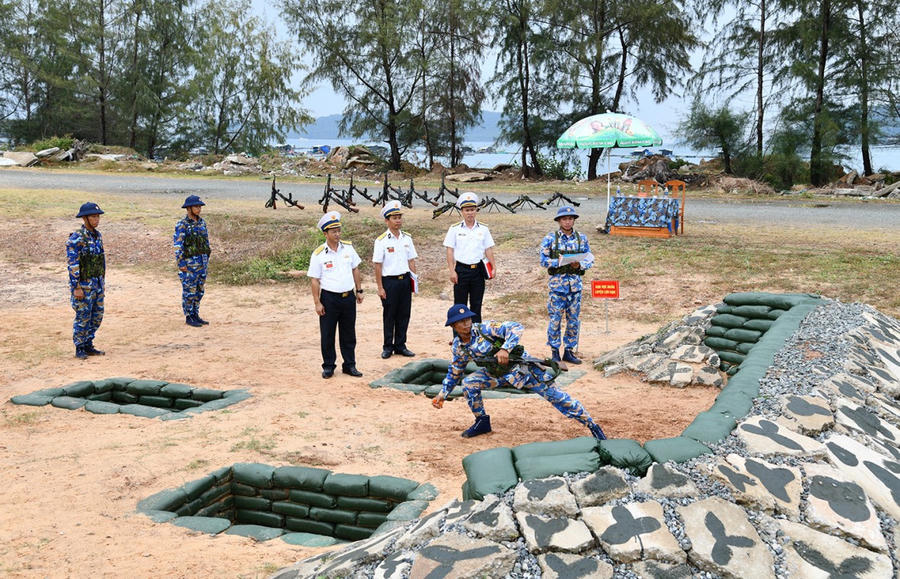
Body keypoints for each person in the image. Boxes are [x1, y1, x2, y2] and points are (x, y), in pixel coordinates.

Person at [431, 304, 606, 440]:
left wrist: (505, 349)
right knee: (469, 383)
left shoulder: (485, 329)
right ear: (453, 325)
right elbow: (455, 371)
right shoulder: (459, 347)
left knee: (558, 397)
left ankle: (592, 425)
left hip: (524, 371)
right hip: (497, 375)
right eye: (461, 321)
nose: (466, 323)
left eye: (468, 318)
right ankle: (482, 422)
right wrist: (442, 394)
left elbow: (516, 327)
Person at [308, 211, 364, 378]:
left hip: (348, 297)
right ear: (325, 234)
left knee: (349, 333)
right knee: (328, 334)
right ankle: (328, 366)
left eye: (339, 230)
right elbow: (314, 280)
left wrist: (359, 290)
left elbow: (355, 269)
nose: (337, 234)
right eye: (333, 232)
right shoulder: (318, 254)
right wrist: (317, 302)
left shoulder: (348, 248)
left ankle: (350, 365)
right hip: (329, 299)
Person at [539, 206, 593, 364]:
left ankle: (569, 351)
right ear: (559, 221)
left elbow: (589, 258)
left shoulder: (581, 238)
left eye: (570, 219)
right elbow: (543, 260)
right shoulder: (550, 238)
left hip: (575, 287)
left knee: (573, 320)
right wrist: (559, 262)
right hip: (557, 287)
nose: (567, 222)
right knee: (555, 319)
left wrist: (580, 265)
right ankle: (555, 352)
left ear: (574, 220)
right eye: (564, 219)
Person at [373, 200, 418, 359]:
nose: (398, 220)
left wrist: (414, 282)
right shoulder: (381, 241)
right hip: (389, 282)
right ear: (387, 220)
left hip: (404, 281)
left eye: (399, 217)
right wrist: (380, 287)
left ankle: (400, 345)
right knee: (389, 315)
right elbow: (378, 265)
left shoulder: (407, 238)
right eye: (394, 218)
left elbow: (411, 261)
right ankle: (387, 346)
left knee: (404, 314)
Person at [443, 192, 496, 324]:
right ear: (462, 211)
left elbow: (488, 249)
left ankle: (476, 334)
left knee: (476, 305)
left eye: (472, 210)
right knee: (460, 306)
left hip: (478, 271)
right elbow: (450, 250)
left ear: (476, 210)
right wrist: (452, 271)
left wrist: (493, 267)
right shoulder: (454, 229)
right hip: (461, 270)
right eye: (467, 210)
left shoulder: (483, 229)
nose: (470, 213)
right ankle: (459, 334)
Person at [66, 202, 106, 359]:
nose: (96, 220)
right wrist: (76, 286)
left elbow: (101, 260)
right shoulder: (77, 238)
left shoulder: (97, 236)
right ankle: (80, 346)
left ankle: (88, 344)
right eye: (93, 217)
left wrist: (102, 282)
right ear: (85, 218)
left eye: (97, 217)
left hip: (97, 284)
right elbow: (73, 263)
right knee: (83, 316)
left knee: (97, 315)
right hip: (83, 285)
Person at [173, 195, 211, 327]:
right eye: (196, 206)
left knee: (199, 290)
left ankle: (195, 314)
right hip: (189, 264)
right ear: (188, 208)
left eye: (200, 206)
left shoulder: (202, 223)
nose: (199, 209)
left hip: (202, 262)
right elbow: (178, 246)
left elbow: (206, 242)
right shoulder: (182, 225)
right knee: (189, 291)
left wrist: (207, 257)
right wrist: (181, 263)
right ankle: (189, 316)